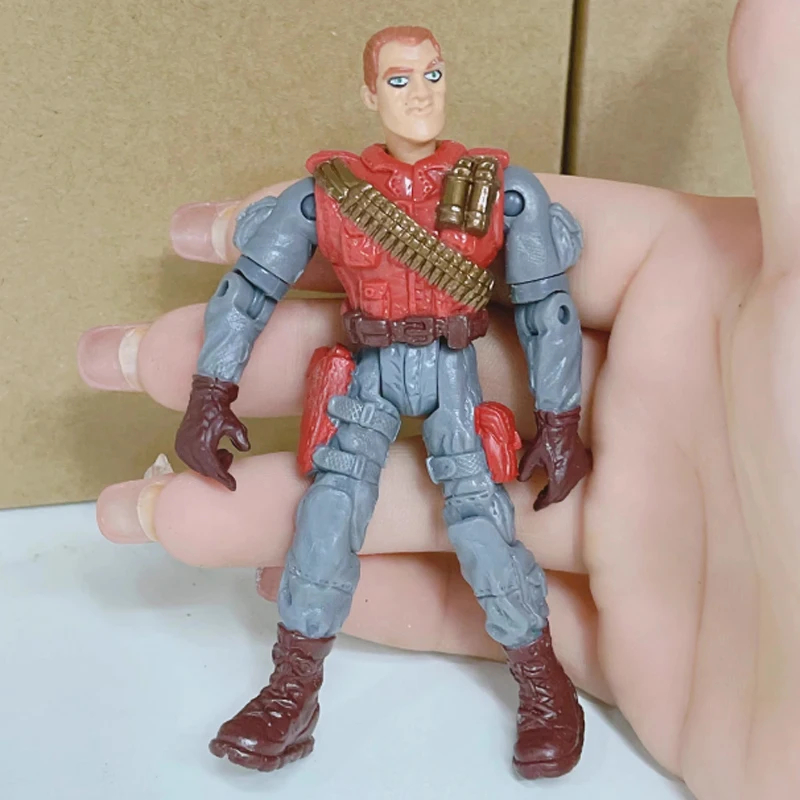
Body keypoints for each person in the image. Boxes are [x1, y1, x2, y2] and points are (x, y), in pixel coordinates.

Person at [77, 1, 800, 796]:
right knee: (325, 516)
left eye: (433, 74)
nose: (420, 93)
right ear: (369, 95)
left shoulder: (499, 190)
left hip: (456, 371)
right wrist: (210, 391)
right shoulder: (331, 194)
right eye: (399, 79)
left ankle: (543, 684)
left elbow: (548, 308)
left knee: (484, 526)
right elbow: (248, 291)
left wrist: (559, 418)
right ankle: (292, 690)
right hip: (368, 369)